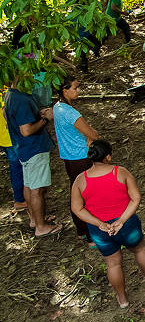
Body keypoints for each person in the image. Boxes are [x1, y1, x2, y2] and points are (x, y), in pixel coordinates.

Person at [70, 140, 145, 308]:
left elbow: (77, 208)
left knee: (113, 263)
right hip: (127, 224)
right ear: (108, 157)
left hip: (100, 230)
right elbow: (136, 198)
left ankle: (123, 299)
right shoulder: (120, 172)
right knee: (140, 249)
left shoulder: (80, 180)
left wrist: (99, 223)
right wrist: (121, 220)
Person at [3, 79, 60, 236]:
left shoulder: (10, 95)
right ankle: (41, 227)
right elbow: (26, 130)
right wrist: (45, 119)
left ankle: (35, 219)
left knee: (29, 185)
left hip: (22, 149)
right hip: (33, 148)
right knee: (37, 189)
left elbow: (9, 118)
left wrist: (36, 115)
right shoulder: (21, 99)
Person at [53, 78, 100, 245]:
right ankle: (91, 235)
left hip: (69, 157)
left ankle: (81, 230)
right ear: (65, 91)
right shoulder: (70, 112)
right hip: (81, 157)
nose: (78, 90)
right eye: (75, 87)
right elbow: (94, 135)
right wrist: (91, 134)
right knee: (87, 196)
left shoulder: (57, 107)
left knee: (76, 192)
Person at [1, 90, 25, 211]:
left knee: (16, 167)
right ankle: (20, 199)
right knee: (18, 168)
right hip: (10, 138)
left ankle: (20, 198)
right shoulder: (6, 94)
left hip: (6, 137)